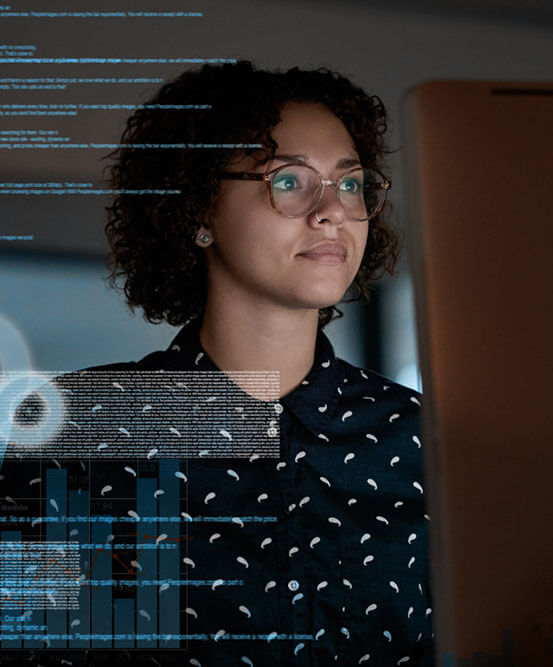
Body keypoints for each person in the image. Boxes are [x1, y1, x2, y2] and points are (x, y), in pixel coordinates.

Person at [6, 61, 433, 666]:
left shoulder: (428, 442)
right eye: (289, 181)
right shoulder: (72, 433)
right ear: (198, 212)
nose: (332, 210)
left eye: (351, 183)